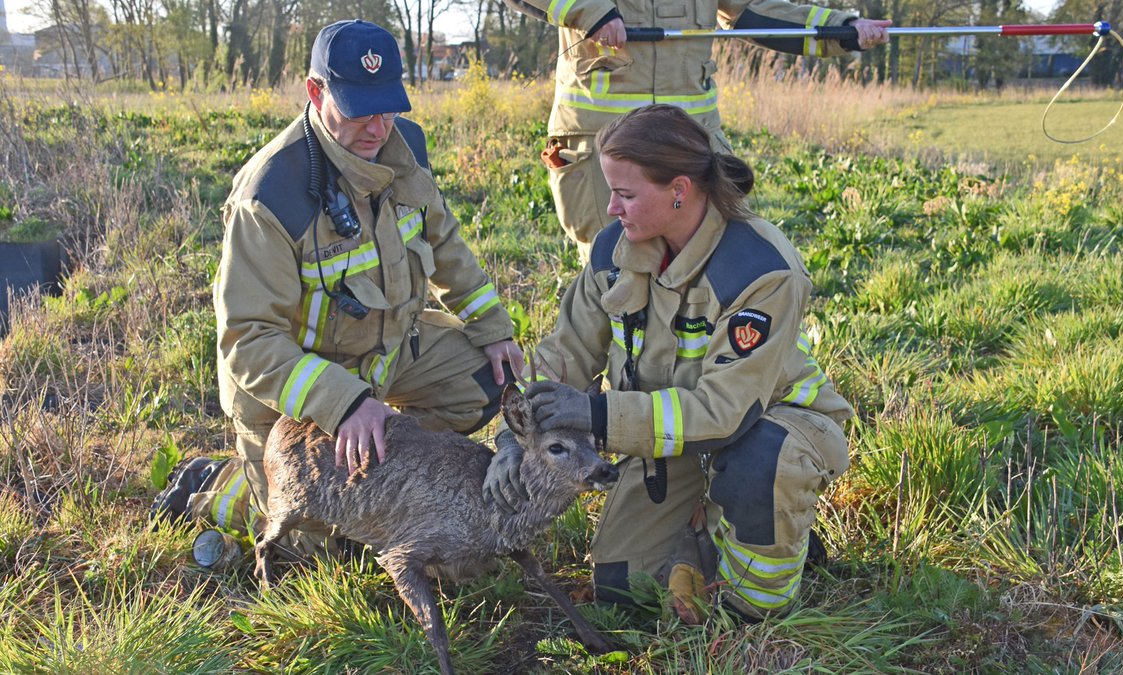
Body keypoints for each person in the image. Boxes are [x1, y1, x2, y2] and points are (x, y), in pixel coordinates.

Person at [152, 19, 524, 556]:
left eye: (388, 106)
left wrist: (493, 329)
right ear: (314, 91)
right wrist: (346, 405)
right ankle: (217, 483)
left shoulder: (404, 150)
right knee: (328, 544)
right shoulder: (272, 196)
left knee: (484, 383)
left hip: (384, 358)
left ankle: (377, 465)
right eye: (357, 109)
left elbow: (446, 247)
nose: (377, 128)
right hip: (295, 397)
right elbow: (247, 341)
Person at [484, 104, 853, 622]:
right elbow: (563, 356)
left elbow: (724, 412)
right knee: (624, 592)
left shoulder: (762, 270)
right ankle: (707, 530)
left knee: (760, 466)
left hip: (771, 425)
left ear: (680, 189)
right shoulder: (615, 250)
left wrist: (595, 417)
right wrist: (511, 438)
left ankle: (755, 607)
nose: (611, 208)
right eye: (610, 191)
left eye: (626, 194)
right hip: (664, 436)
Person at [511, 0, 890, 260]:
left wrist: (843, 28)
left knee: (721, 256)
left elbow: (755, 11)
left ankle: (709, 376)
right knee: (615, 271)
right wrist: (590, 9)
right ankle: (609, 379)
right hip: (600, 145)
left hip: (693, 142)